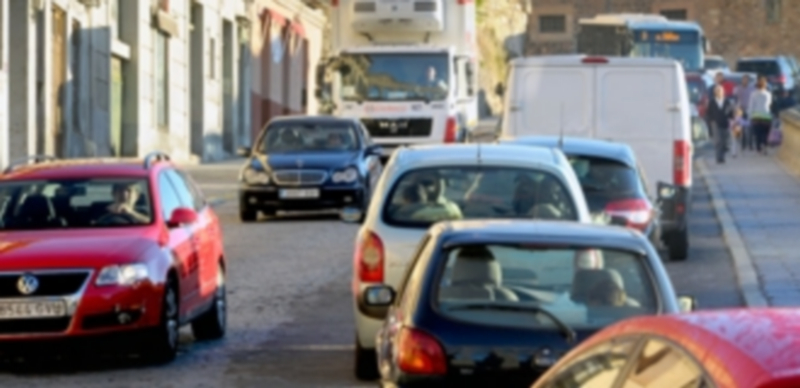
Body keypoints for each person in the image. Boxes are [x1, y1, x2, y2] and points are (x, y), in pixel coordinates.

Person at [705, 85, 735, 164]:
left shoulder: (727, 101)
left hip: (725, 123)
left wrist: (732, 119)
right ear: (715, 92)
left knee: (725, 141)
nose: (719, 92)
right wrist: (711, 121)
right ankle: (719, 158)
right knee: (718, 140)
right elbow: (709, 113)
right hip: (715, 122)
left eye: (720, 91)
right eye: (717, 91)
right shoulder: (712, 101)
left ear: (723, 92)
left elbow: (730, 112)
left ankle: (723, 153)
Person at [748, 76, 773, 155]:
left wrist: (750, 115)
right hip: (766, 115)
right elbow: (769, 104)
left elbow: (751, 106)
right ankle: (765, 145)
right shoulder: (768, 94)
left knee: (758, 133)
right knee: (765, 133)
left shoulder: (753, 94)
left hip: (756, 116)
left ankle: (759, 147)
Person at [733, 74, 756, 151]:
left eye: (746, 80)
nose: (745, 81)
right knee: (740, 127)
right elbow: (735, 98)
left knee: (749, 128)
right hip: (740, 110)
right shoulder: (737, 89)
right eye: (743, 79)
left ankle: (750, 144)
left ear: (748, 81)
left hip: (749, 110)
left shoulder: (752, 89)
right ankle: (742, 143)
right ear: (741, 80)